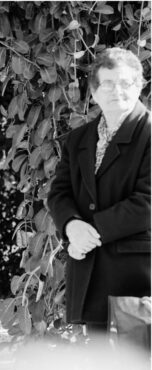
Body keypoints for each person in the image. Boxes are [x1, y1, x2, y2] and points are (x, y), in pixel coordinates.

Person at [47, 47, 150, 340]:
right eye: (107, 83)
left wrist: (90, 232)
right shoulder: (79, 138)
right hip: (90, 269)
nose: (116, 90)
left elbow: (147, 203)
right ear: (94, 92)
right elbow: (59, 193)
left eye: (125, 82)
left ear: (139, 86)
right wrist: (71, 225)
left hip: (136, 275)